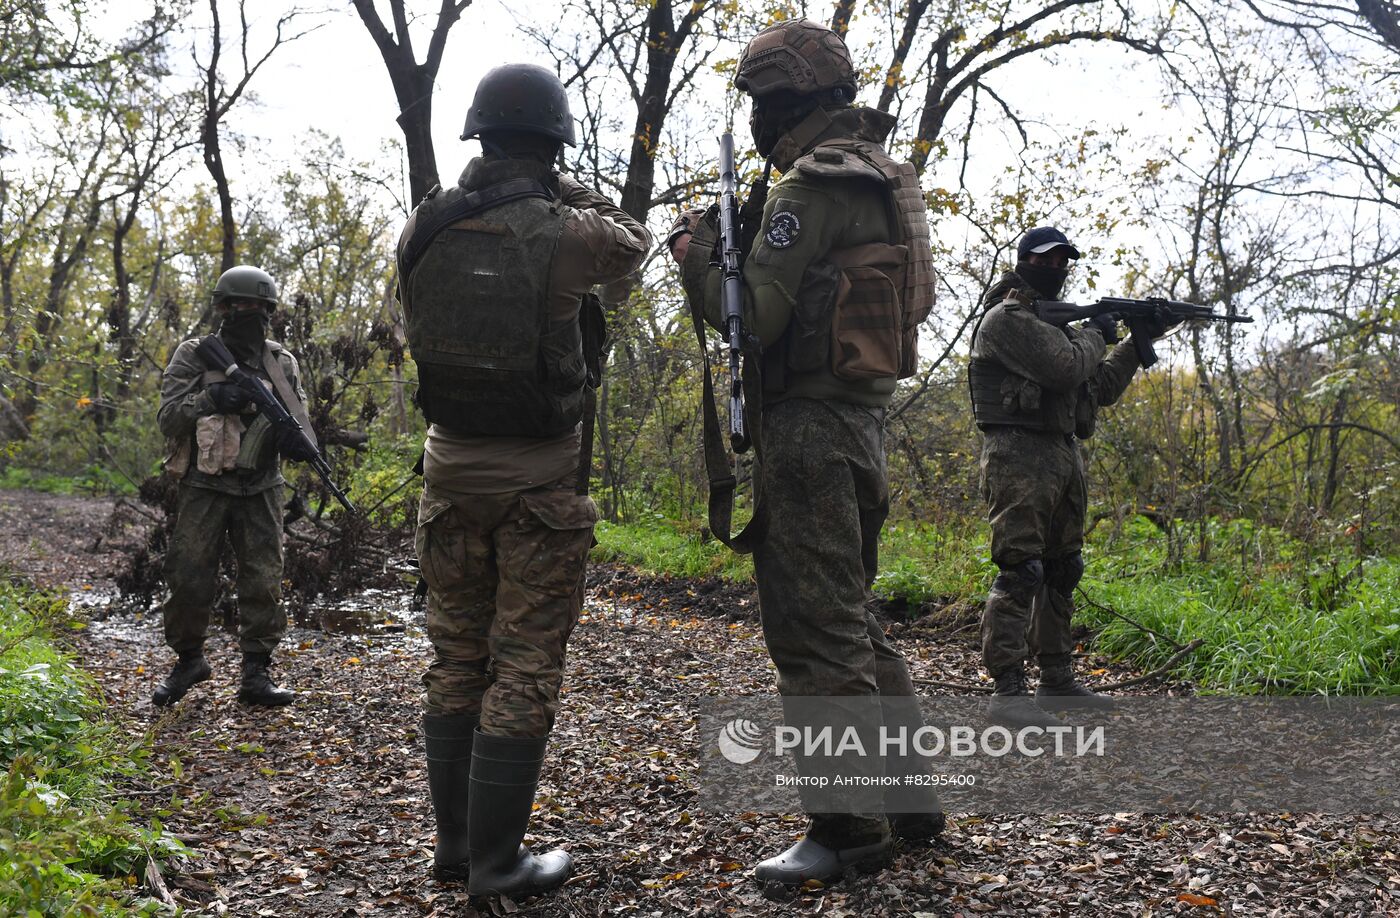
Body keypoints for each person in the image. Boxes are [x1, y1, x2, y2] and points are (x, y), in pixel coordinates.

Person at [669, 19, 941, 886]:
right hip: (864, 425)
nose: (754, 121)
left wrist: (697, 258)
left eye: (761, 103)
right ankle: (908, 799)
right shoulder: (888, 181)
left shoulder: (804, 192)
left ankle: (846, 827)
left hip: (811, 434)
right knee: (853, 616)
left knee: (814, 631)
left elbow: (754, 319)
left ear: (788, 103)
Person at [396, 63, 650, 897]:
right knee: (524, 668)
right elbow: (634, 243)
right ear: (552, 145)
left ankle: (455, 849)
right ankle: (498, 866)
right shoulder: (571, 231)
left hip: (448, 477)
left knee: (455, 660)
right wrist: (571, 186)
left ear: (478, 138)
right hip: (539, 484)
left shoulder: (424, 225)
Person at [968, 226, 1172, 727]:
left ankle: (1056, 680)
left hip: (1061, 453)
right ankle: (1008, 691)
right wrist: (1097, 330)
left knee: (1063, 567)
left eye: (1064, 261)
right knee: (1022, 570)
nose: (1056, 269)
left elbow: (1096, 386)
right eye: (1046, 259)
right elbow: (1065, 367)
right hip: (1017, 455)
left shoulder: (1058, 326)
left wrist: (1139, 339)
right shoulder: (1009, 318)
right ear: (1024, 262)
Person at [154, 265, 316, 708]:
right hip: (204, 484)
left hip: (262, 486)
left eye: (264, 308)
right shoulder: (194, 354)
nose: (255, 314)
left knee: (263, 582)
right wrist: (211, 399)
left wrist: (296, 441)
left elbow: (301, 424)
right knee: (187, 577)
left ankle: (256, 672)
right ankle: (189, 661)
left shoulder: (281, 363)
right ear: (223, 308)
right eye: (246, 305)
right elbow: (168, 418)